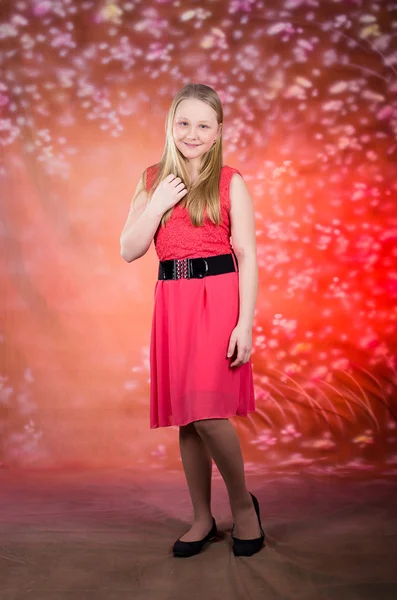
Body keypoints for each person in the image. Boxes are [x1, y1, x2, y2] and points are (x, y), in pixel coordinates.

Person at [120, 83, 265, 558]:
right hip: (173, 301)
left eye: (204, 125)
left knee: (206, 412)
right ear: (171, 125)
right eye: (184, 123)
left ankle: (243, 507)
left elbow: (247, 254)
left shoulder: (230, 181)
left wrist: (245, 323)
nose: (193, 133)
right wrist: (158, 201)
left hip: (218, 298)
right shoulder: (150, 179)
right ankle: (202, 517)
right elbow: (129, 250)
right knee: (188, 418)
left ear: (218, 130)